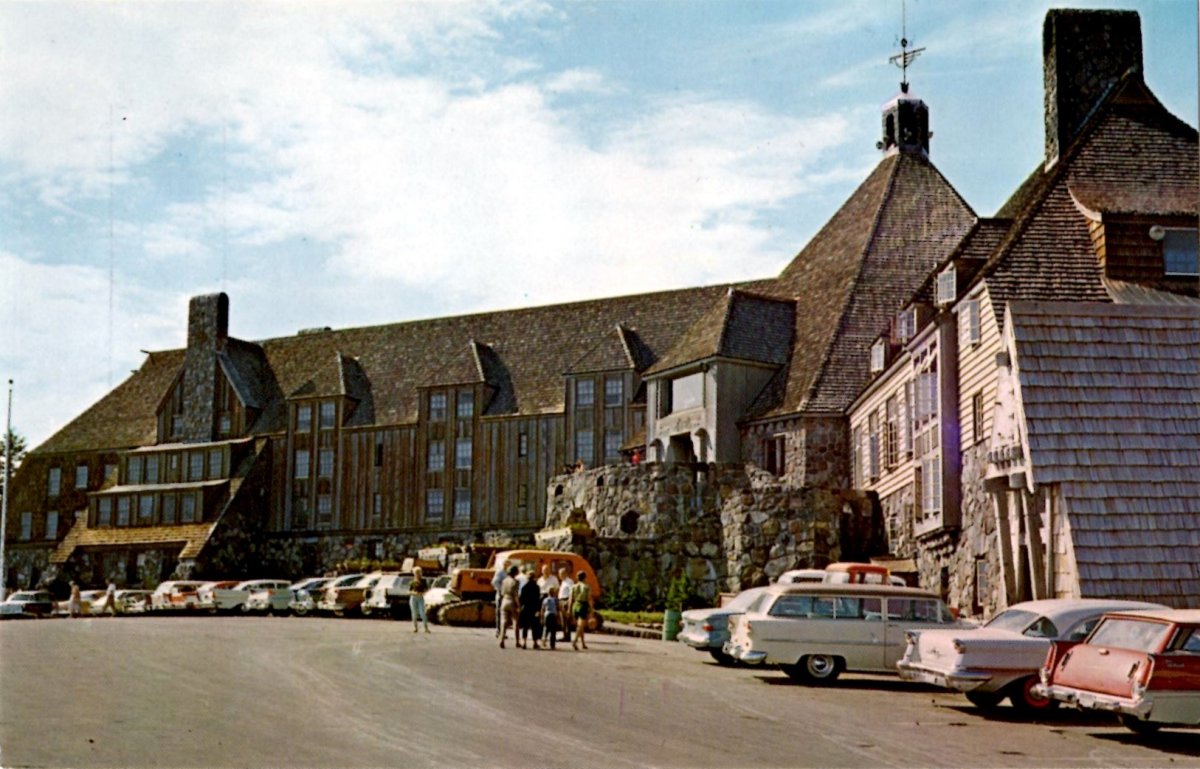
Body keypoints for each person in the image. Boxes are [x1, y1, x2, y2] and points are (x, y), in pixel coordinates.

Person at [518, 568, 542, 649]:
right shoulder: (537, 587)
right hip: (534, 609)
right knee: (534, 626)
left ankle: (524, 642)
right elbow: (538, 599)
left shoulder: (524, 587)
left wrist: (520, 607)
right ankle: (535, 643)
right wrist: (538, 610)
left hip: (525, 608)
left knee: (525, 626)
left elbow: (521, 599)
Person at [497, 565, 520, 649]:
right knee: (515, 621)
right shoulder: (515, 581)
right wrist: (518, 605)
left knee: (504, 622)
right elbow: (516, 595)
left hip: (504, 601)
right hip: (512, 601)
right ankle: (517, 642)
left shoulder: (504, 581)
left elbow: (502, 592)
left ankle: (501, 640)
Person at [570, 571, 591, 651]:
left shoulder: (574, 586)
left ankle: (583, 643)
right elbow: (589, 599)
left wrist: (569, 609)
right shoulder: (586, 587)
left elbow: (571, 598)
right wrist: (591, 609)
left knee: (580, 626)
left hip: (575, 605)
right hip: (583, 605)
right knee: (580, 626)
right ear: (585, 577)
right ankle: (575, 641)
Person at [409, 566, 430, 633]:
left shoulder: (423, 581)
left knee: (422, 613)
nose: (417, 574)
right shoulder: (412, 582)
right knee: (414, 613)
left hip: (420, 597)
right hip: (413, 598)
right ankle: (415, 628)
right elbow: (409, 591)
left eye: (418, 572)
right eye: (416, 573)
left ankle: (426, 628)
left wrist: (422, 593)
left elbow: (426, 589)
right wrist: (413, 592)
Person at [557, 568, 575, 643]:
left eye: (560, 574)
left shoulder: (569, 581)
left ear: (565, 573)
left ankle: (567, 636)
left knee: (567, 620)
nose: (559, 576)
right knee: (562, 620)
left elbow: (571, 593)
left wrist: (568, 603)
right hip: (561, 601)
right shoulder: (563, 582)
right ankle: (565, 635)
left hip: (565, 601)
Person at [491, 561, 508, 637]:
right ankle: (498, 631)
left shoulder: (507, 573)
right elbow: (494, 582)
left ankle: (503, 632)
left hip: (506, 595)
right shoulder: (500, 572)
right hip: (501, 594)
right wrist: (501, 590)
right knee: (499, 613)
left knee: (505, 614)